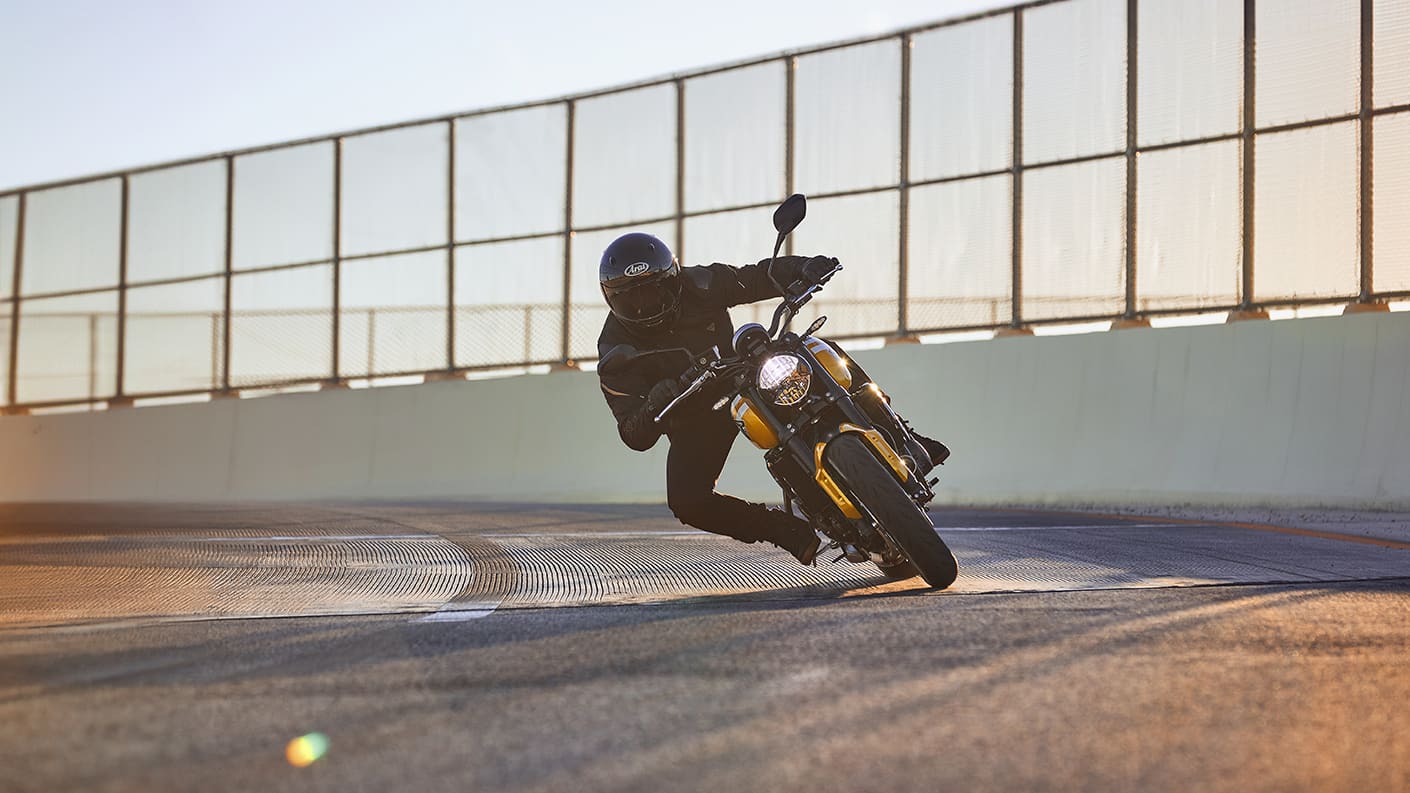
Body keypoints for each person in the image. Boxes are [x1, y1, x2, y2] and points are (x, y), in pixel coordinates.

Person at [595, 232, 949, 566]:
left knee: (817, 349)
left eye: (653, 291)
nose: (644, 305)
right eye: (631, 298)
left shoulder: (698, 283)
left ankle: (905, 437)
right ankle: (784, 530)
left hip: (743, 372)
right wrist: (654, 404)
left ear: (673, 280)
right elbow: (633, 434)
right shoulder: (615, 349)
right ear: (612, 299)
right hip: (693, 412)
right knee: (687, 501)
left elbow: (752, 278)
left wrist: (802, 267)